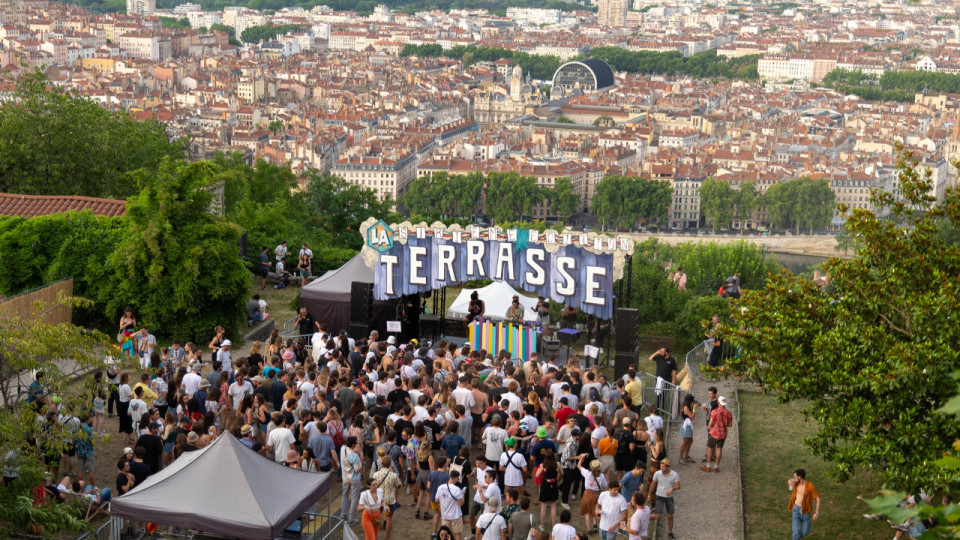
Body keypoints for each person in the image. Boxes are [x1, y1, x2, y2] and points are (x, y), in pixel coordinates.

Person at [647, 458, 679, 540]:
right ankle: (644, 518)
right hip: (659, 496)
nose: (661, 468)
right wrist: (649, 496)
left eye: (663, 467)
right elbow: (653, 484)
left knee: (670, 516)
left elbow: (678, 486)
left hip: (669, 497)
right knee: (657, 515)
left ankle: (670, 533)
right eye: (661, 466)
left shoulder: (674, 474)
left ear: (668, 467)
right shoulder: (657, 473)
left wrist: (672, 488)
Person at [701, 396, 732, 473]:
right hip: (723, 434)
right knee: (719, 449)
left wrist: (709, 426)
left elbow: (710, 424)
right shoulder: (729, 413)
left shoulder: (714, 412)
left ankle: (708, 466)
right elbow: (730, 424)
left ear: (718, 403)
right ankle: (716, 467)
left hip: (714, 433)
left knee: (709, 448)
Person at [788, 468, 820, 540]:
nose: (794, 478)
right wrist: (790, 482)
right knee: (796, 532)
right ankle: (796, 537)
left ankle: (796, 537)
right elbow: (790, 483)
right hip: (796, 509)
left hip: (806, 511)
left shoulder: (810, 486)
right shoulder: (795, 484)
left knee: (806, 532)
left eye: (795, 476)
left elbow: (818, 499)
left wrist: (816, 513)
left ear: (799, 477)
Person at [340, 436, 364, 525]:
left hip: (345, 477)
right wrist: (361, 459)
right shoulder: (355, 456)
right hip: (354, 478)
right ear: (353, 445)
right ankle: (351, 519)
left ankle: (343, 515)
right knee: (354, 498)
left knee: (345, 495)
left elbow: (349, 453)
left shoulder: (342, 448)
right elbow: (357, 470)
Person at [437, 470, 466, 540]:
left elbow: (436, 500)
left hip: (445, 515)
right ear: (455, 478)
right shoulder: (457, 489)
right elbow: (461, 503)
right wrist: (462, 494)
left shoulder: (440, 487)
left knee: (444, 534)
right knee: (457, 533)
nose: (458, 480)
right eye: (458, 478)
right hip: (455, 515)